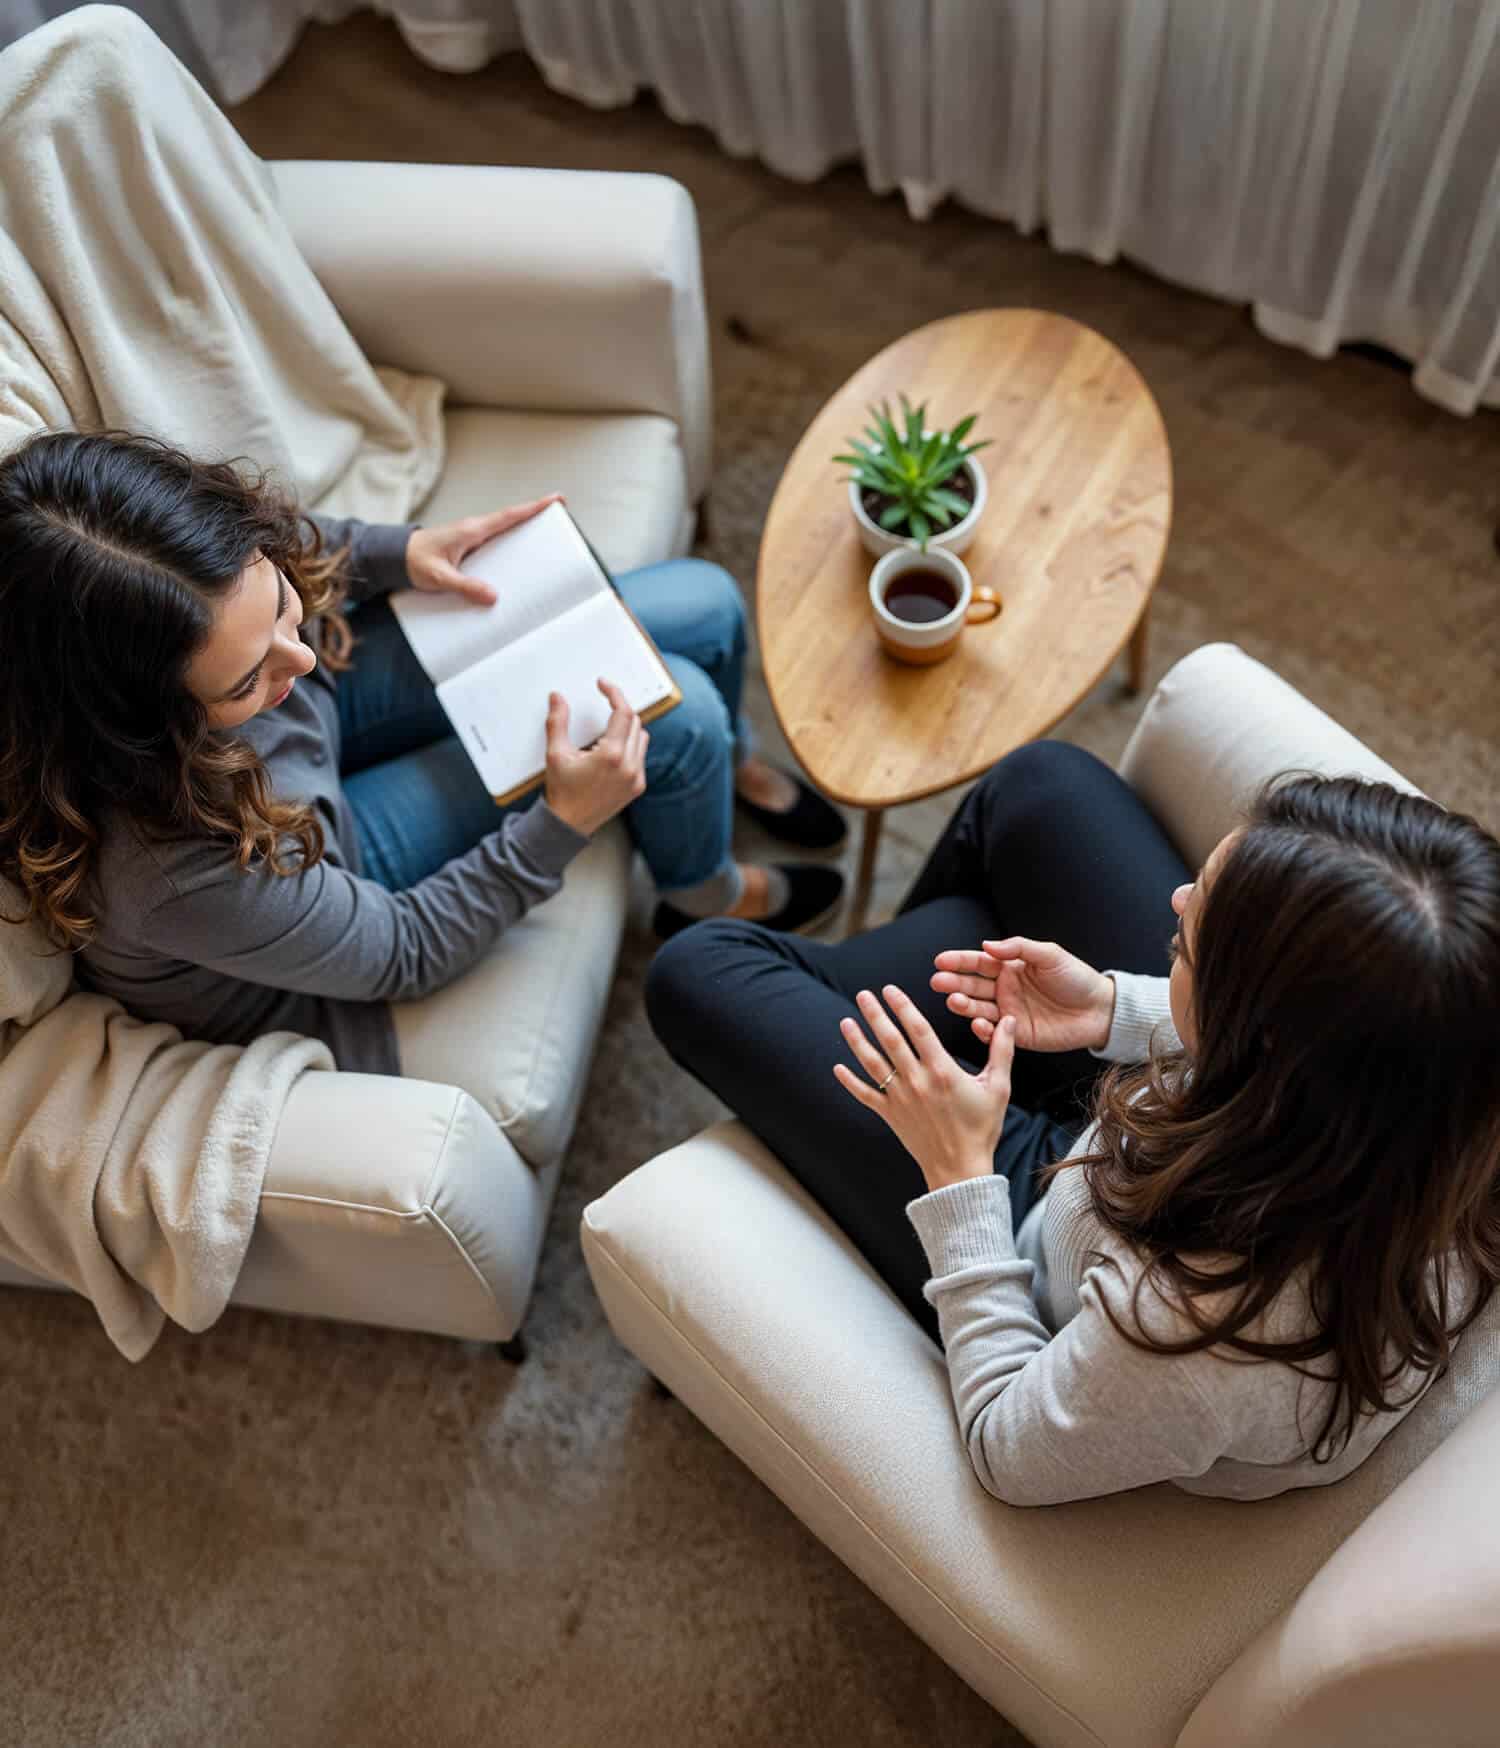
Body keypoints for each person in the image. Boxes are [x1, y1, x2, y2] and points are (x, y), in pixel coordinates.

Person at [646, 740, 1500, 1506]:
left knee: (700, 967)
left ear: (1256, 1037)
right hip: (1173, 1146)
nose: (1174, 900)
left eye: (1191, 943)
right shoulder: (1440, 1082)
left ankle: (881, 1011)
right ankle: (911, 994)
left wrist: (959, 1172)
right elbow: (1309, 1082)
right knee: (1036, 783)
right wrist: (1114, 1010)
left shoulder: (1191, 1338)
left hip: (1042, 1233)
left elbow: (1005, 1450)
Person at [0, 428, 845, 1075]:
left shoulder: (126, 557)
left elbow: (282, 548)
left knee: (705, 598)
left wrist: (396, 553)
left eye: (281, 604)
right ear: (142, 721)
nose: (293, 656)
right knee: (678, 713)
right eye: (247, 677)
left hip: (314, 734)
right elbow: (400, 950)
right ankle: (703, 892)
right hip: (310, 856)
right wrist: (561, 820)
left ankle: (724, 770)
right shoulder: (169, 871)